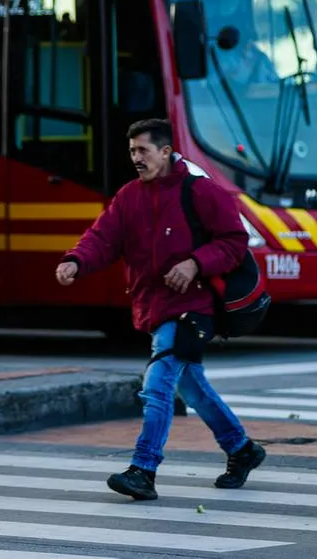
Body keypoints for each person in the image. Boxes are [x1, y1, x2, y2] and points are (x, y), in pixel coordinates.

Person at [55, 118, 266, 500]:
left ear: (166, 152)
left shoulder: (201, 192)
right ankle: (242, 449)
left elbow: (235, 241)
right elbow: (102, 237)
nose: (136, 158)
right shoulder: (129, 196)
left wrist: (195, 263)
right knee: (192, 387)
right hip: (154, 306)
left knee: (157, 386)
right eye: (132, 151)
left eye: (143, 151)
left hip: (194, 307)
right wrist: (76, 261)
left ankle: (144, 469)